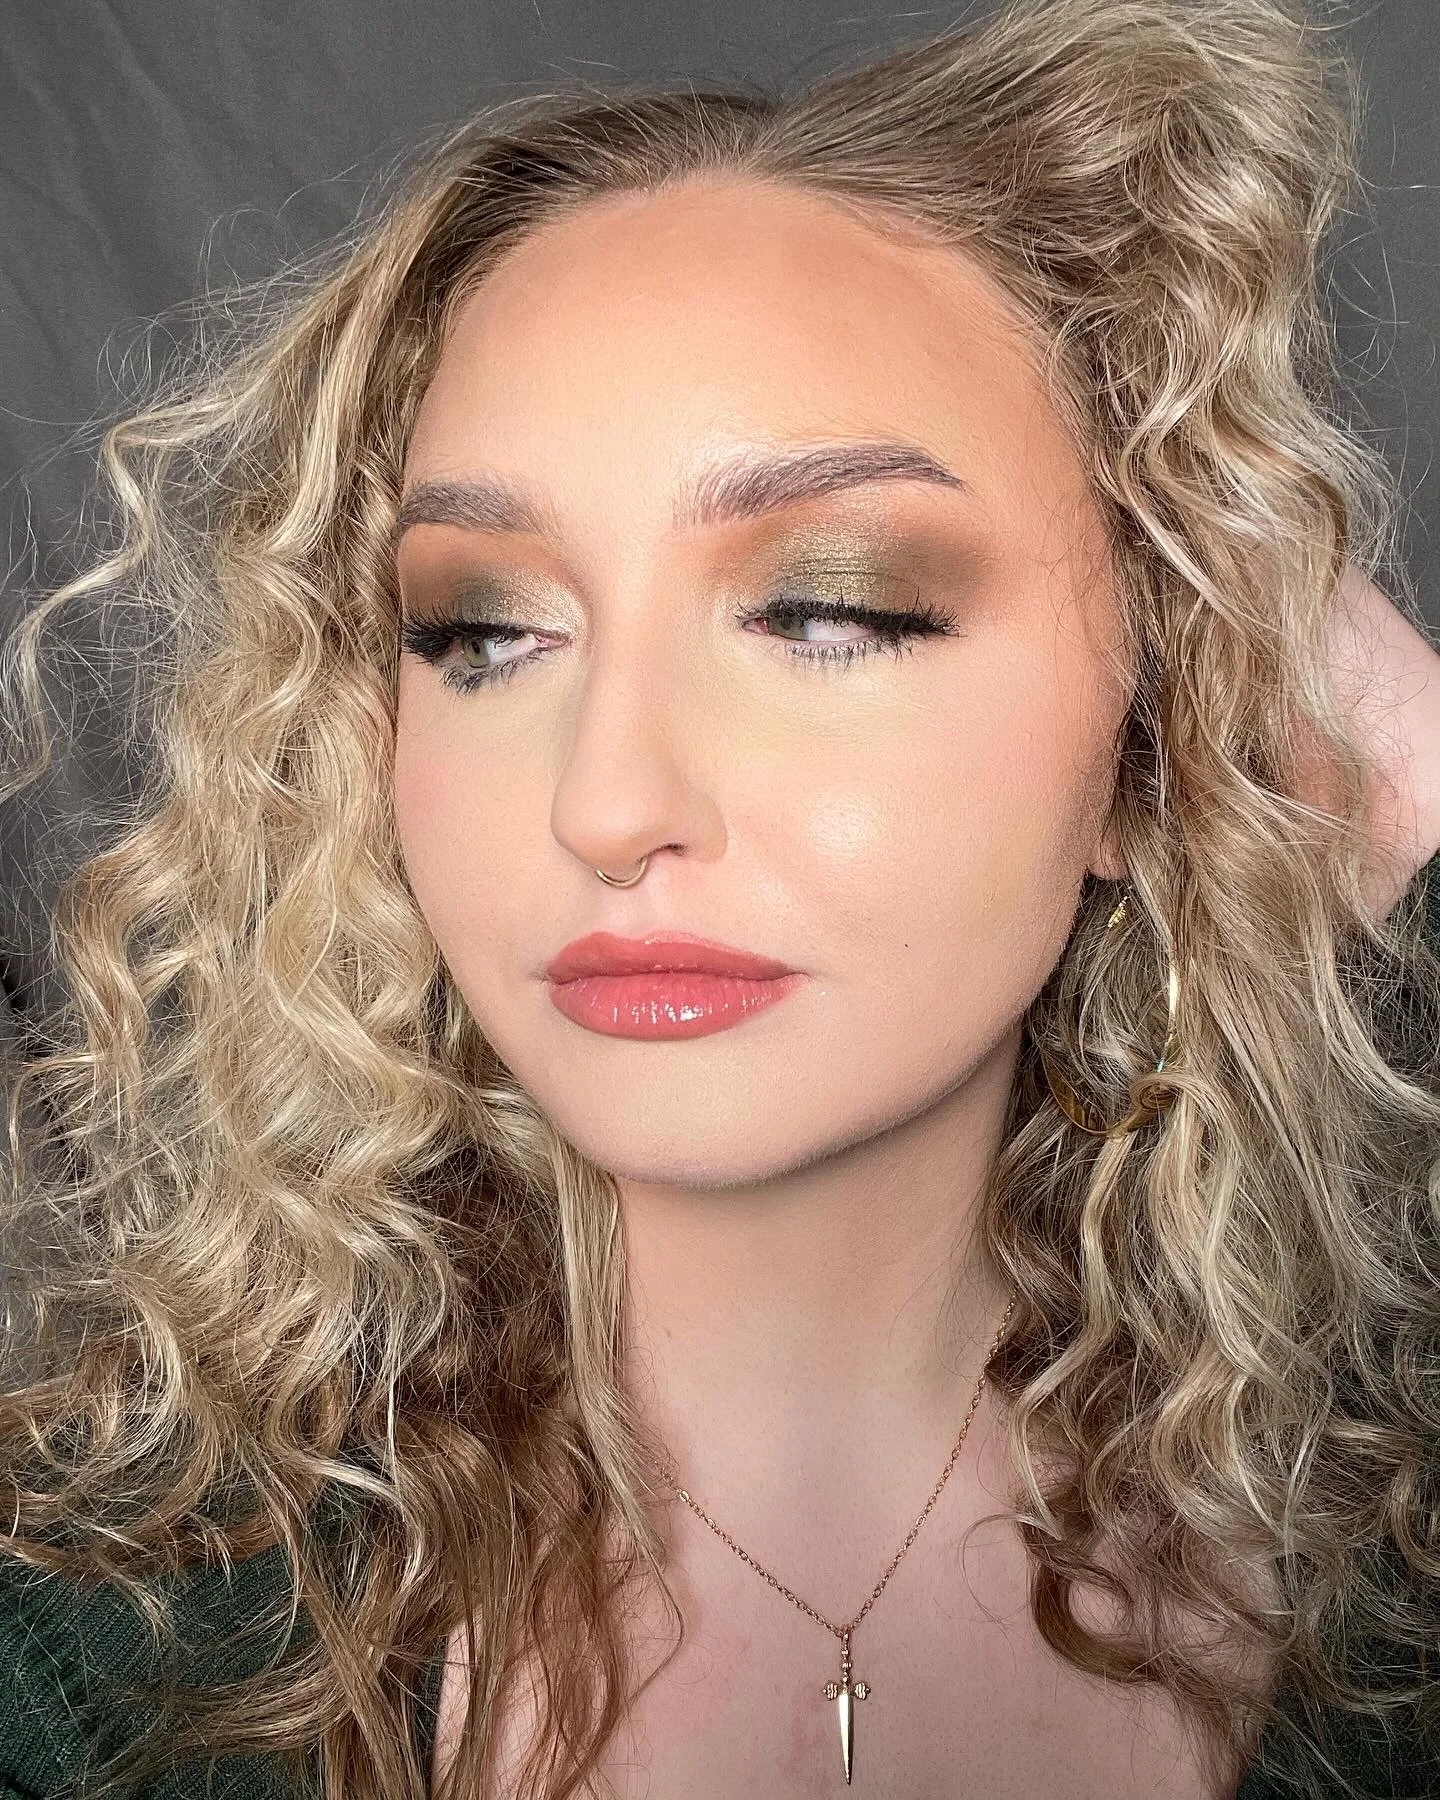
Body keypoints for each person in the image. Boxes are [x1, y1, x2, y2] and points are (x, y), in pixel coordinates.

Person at [1, 0, 1438, 1795]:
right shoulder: (91, 1661)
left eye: (829, 610)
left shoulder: (1395, 1592)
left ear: (1157, 738)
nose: (608, 803)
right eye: (484, 631)